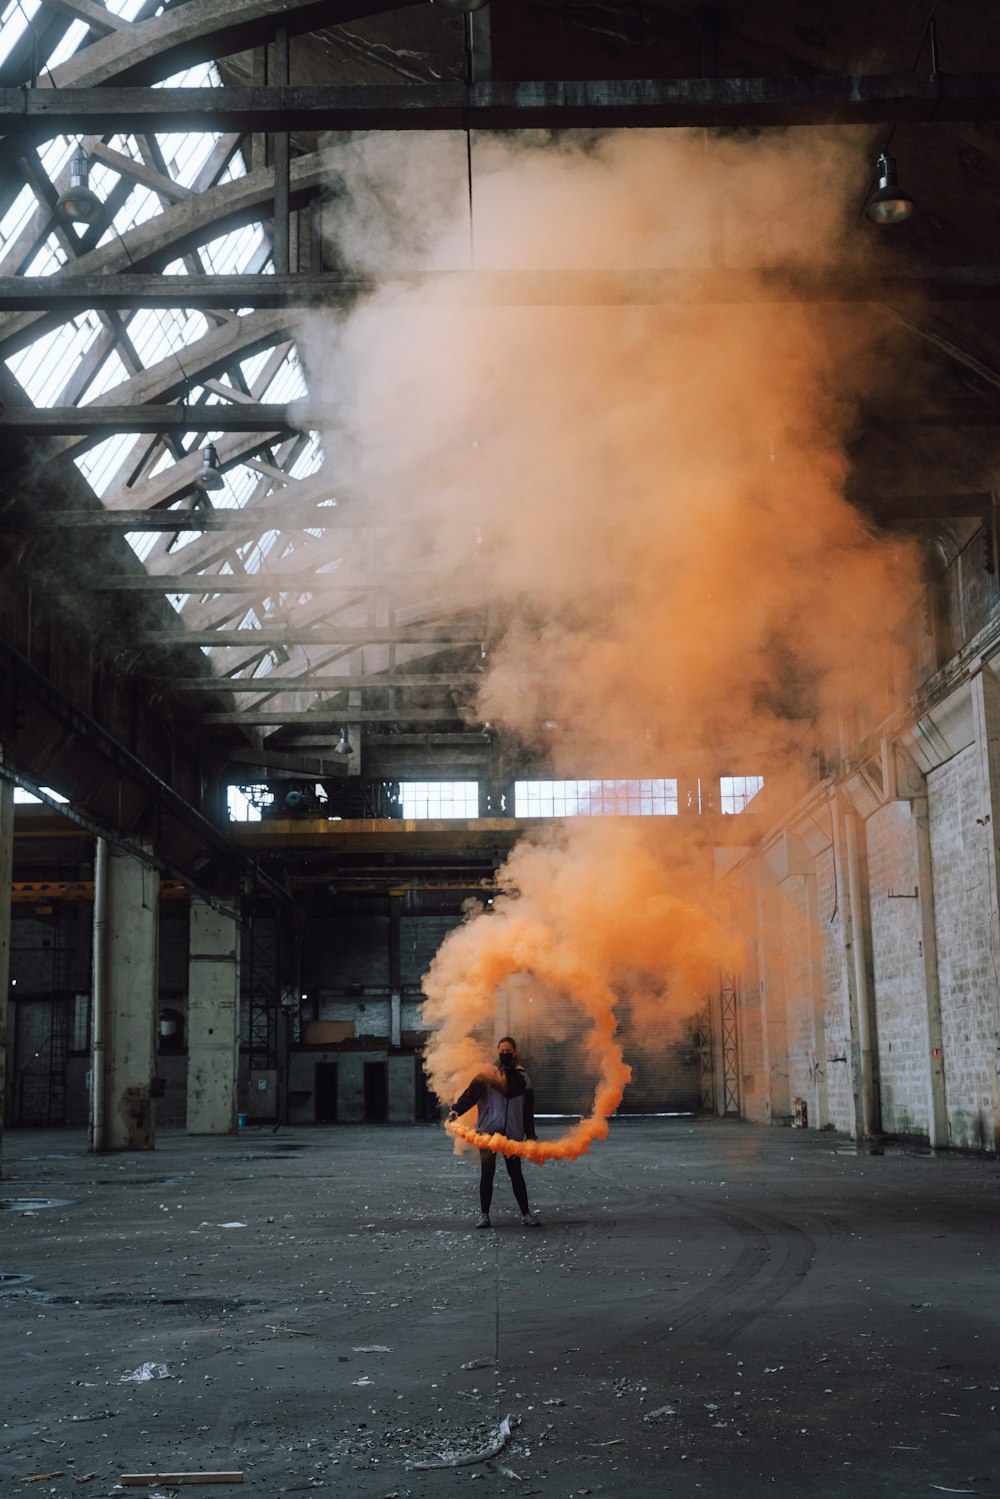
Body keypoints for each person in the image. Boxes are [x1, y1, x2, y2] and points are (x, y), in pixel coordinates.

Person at [448, 1036, 540, 1228]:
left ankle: (526, 1214)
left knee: (516, 1174)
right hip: (488, 1132)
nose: (505, 1054)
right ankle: (484, 1215)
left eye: (508, 1051)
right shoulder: (488, 1074)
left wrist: (530, 1134)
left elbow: (527, 1109)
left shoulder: (522, 1077)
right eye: (502, 1050)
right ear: (497, 1051)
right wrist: (457, 1108)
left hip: (512, 1134)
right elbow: (470, 1095)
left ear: (514, 1052)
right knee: (487, 1173)